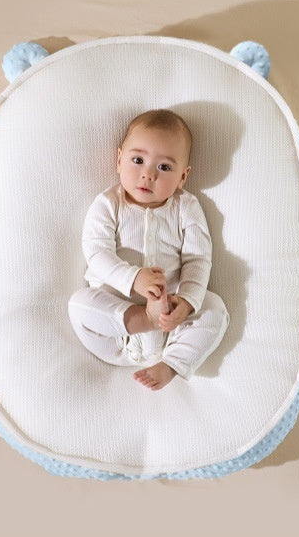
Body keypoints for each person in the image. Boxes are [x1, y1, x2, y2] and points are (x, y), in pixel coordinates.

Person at [68, 109, 229, 390]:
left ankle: (173, 365)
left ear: (182, 176)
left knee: (216, 310)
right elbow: (96, 253)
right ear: (119, 161)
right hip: (119, 329)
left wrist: (188, 301)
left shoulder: (186, 207)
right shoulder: (108, 204)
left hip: (172, 323)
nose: (147, 175)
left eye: (164, 167)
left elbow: (198, 258)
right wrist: (134, 279)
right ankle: (145, 320)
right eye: (138, 160)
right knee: (79, 305)